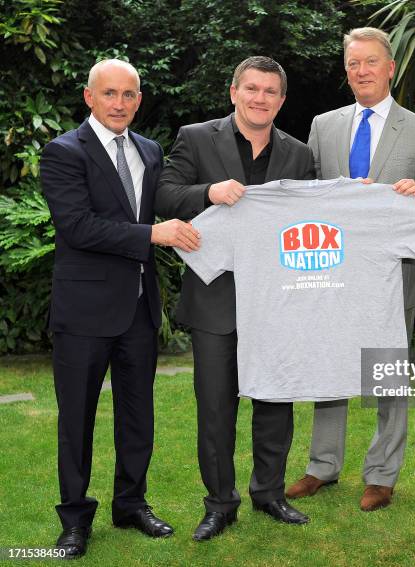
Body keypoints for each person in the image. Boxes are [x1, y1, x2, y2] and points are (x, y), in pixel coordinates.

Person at [41, 59, 200, 559]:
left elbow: (169, 204)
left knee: (138, 417)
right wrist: (154, 235)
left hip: (138, 308)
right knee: (77, 421)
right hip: (83, 312)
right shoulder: (64, 152)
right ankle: (74, 520)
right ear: (89, 97)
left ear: (139, 99)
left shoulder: (150, 151)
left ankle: (131, 504)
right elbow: (78, 227)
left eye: (129, 95)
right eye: (109, 94)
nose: (119, 103)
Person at [286, 27, 415, 512]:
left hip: (390, 272)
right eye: (353, 63)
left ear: (390, 67)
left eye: (370, 62)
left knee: (387, 371)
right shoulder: (323, 125)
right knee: (328, 364)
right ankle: (322, 466)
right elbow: (307, 195)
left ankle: (381, 474)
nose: (361, 71)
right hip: (332, 271)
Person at [155, 56, 314, 540]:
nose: (259, 98)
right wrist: (208, 191)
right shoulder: (197, 137)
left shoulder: (300, 155)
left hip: (277, 302)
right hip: (215, 302)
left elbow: (314, 219)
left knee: (274, 403)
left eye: (270, 91)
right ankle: (220, 504)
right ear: (234, 92)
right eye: (251, 88)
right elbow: (163, 194)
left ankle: (270, 493)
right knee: (216, 408)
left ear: (281, 101)